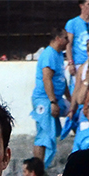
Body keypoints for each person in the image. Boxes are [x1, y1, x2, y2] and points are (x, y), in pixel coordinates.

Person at [32, 27, 71, 168]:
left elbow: (61, 79)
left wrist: (70, 99)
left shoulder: (59, 54)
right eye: (66, 37)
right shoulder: (49, 54)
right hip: (45, 99)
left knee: (76, 113)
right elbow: (47, 79)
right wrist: (52, 102)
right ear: (58, 39)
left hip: (57, 98)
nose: (68, 40)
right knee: (43, 135)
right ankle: (38, 170)